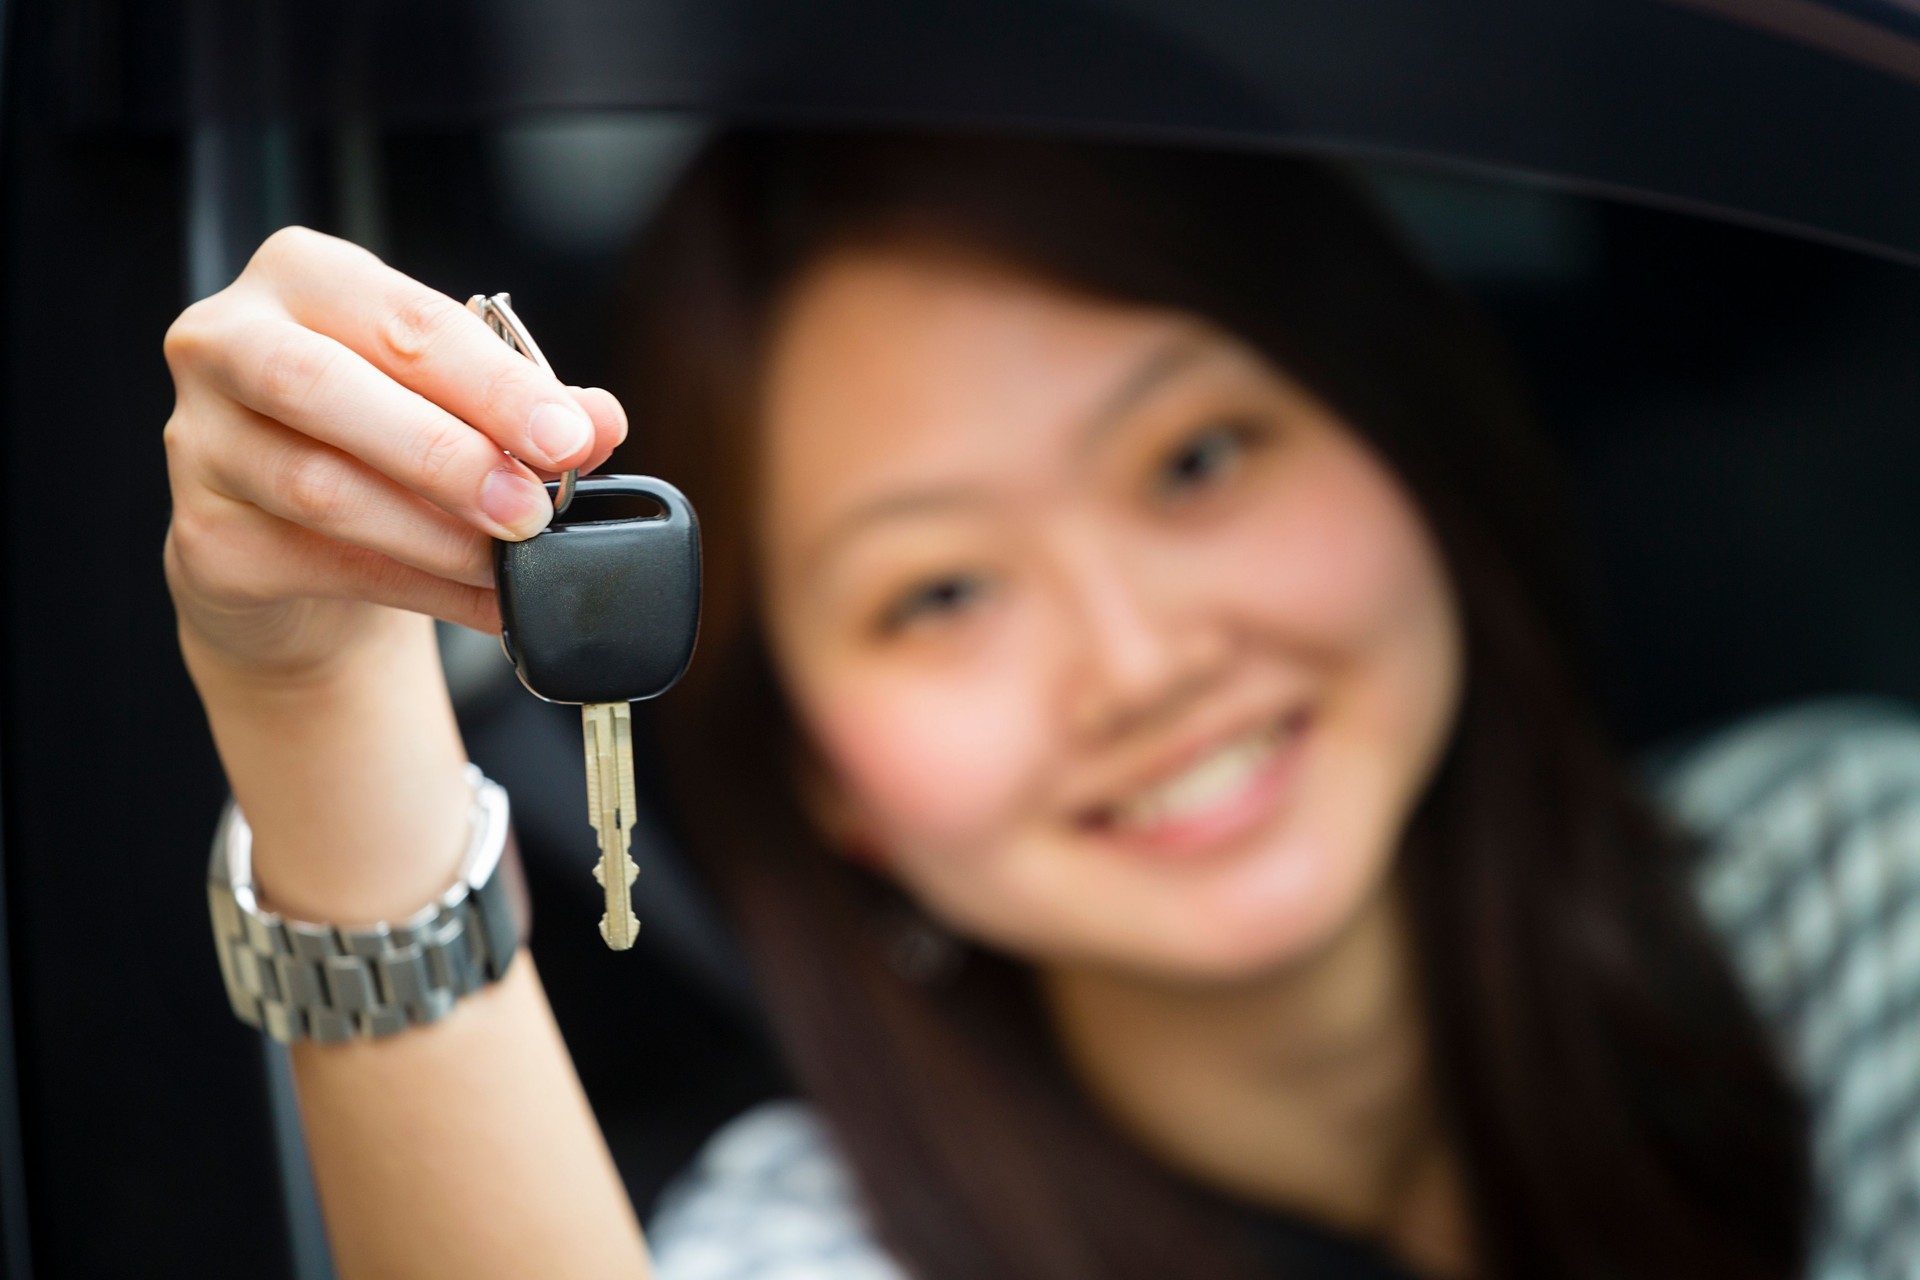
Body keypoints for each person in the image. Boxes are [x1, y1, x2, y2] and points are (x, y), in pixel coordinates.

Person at [160, 130, 1919, 1279]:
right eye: (940, 594)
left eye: (1198, 458)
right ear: (825, 775)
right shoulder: (819, 1240)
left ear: (1411, 455)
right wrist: (321, 709)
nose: (1138, 661)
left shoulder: (1848, 886)